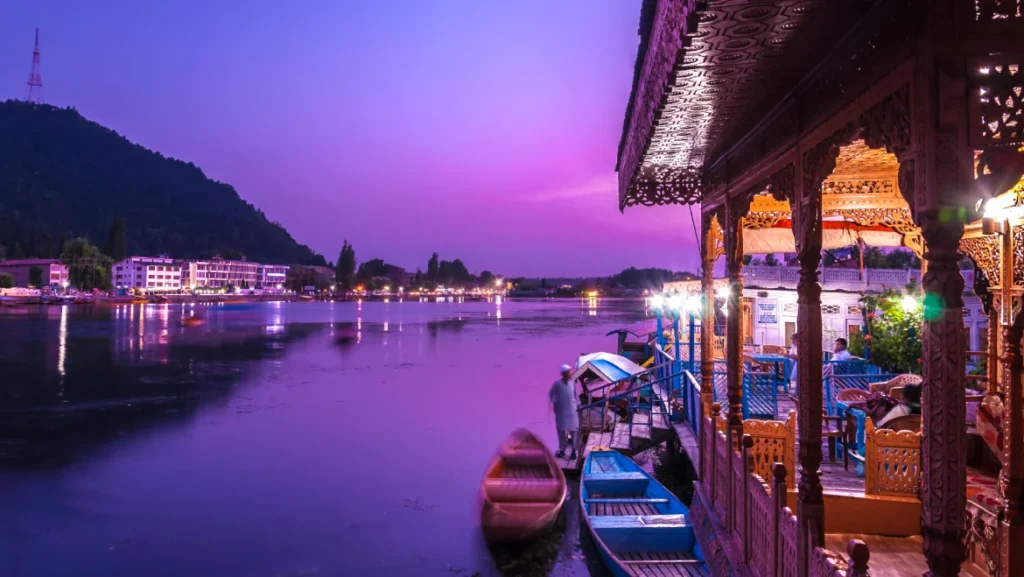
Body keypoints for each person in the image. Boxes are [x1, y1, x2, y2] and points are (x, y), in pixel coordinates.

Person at [549, 364, 580, 460]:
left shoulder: (573, 383)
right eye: (568, 372)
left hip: (572, 410)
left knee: (574, 430)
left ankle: (574, 451)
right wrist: (554, 403)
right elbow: (551, 394)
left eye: (570, 372)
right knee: (561, 431)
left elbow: (575, 395)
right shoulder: (557, 384)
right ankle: (562, 451)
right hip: (561, 411)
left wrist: (578, 405)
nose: (570, 374)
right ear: (563, 374)